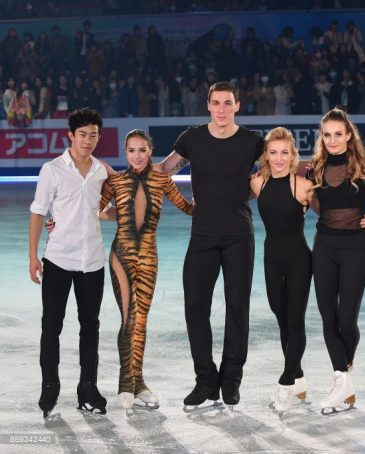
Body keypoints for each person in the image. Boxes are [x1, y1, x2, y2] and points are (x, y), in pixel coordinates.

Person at [155, 81, 264, 409]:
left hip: (238, 235)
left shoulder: (252, 141)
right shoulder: (192, 138)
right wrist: (127, 178)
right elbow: (164, 170)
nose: (222, 109)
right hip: (202, 235)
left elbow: (276, 170)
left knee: (237, 308)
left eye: (228, 103)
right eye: (216, 103)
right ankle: (206, 379)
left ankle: (231, 380)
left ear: (237, 105)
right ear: (208, 105)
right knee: (195, 306)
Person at [99, 129, 194, 409]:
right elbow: (89, 209)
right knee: (129, 319)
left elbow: (189, 208)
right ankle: (125, 384)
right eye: (131, 150)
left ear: (150, 151)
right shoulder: (116, 181)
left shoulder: (162, 179)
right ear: (125, 152)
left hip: (149, 257)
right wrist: (59, 220)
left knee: (141, 321)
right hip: (121, 255)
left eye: (142, 150)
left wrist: (215, 195)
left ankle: (138, 382)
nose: (137, 156)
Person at [29, 108, 109, 417]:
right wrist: (32, 256)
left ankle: (88, 388)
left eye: (94, 135)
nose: (88, 140)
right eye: (83, 134)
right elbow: (38, 211)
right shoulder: (52, 170)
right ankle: (50, 385)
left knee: (90, 326)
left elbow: (108, 205)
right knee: (52, 325)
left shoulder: (101, 171)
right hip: (59, 259)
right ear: (71, 136)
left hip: (93, 261)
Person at [309, 108, 365, 414]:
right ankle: (341, 380)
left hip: (355, 248)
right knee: (329, 319)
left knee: (347, 320)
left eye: (338, 134)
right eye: (327, 135)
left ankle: (344, 373)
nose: (333, 140)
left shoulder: (363, 166)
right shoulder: (315, 169)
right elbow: (312, 203)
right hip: (324, 247)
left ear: (349, 135)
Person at [249, 127, 314, 414]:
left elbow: (331, 212)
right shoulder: (258, 183)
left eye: (284, 153)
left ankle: (286, 381)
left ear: (292, 155)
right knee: (282, 319)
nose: (278, 158)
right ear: (266, 155)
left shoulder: (303, 186)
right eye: (273, 152)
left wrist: (359, 220)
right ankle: (298, 378)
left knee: (295, 320)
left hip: (299, 259)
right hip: (271, 258)